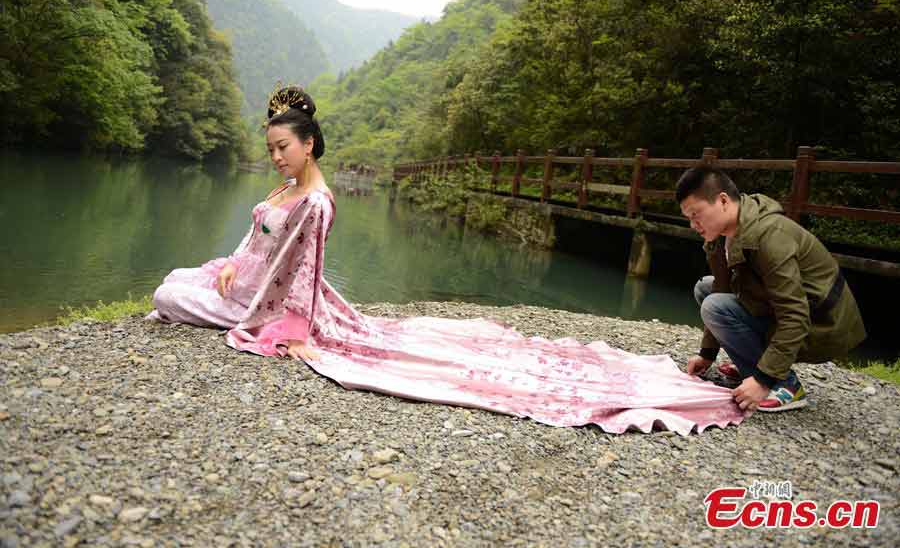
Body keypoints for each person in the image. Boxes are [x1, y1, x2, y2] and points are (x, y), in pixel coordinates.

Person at [148, 85, 748, 436]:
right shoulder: (283, 190)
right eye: (271, 148)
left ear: (309, 145)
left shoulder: (318, 202)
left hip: (270, 299)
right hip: (244, 278)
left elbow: (305, 271)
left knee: (166, 296)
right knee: (180, 280)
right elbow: (256, 238)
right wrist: (228, 261)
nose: (276, 157)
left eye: (284, 147)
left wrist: (297, 329)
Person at [676, 166, 866, 413]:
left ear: (723, 200)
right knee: (706, 288)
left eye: (696, 214)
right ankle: (756, 365)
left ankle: (785, 384)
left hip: (822, 324)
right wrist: (707, 354)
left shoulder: (769, 235)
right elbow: (721, 287)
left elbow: (795, 315)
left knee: (715, 306)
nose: (693, 224)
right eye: (688, 218)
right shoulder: (721, 235)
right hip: (783, 311)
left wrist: (763, 380)